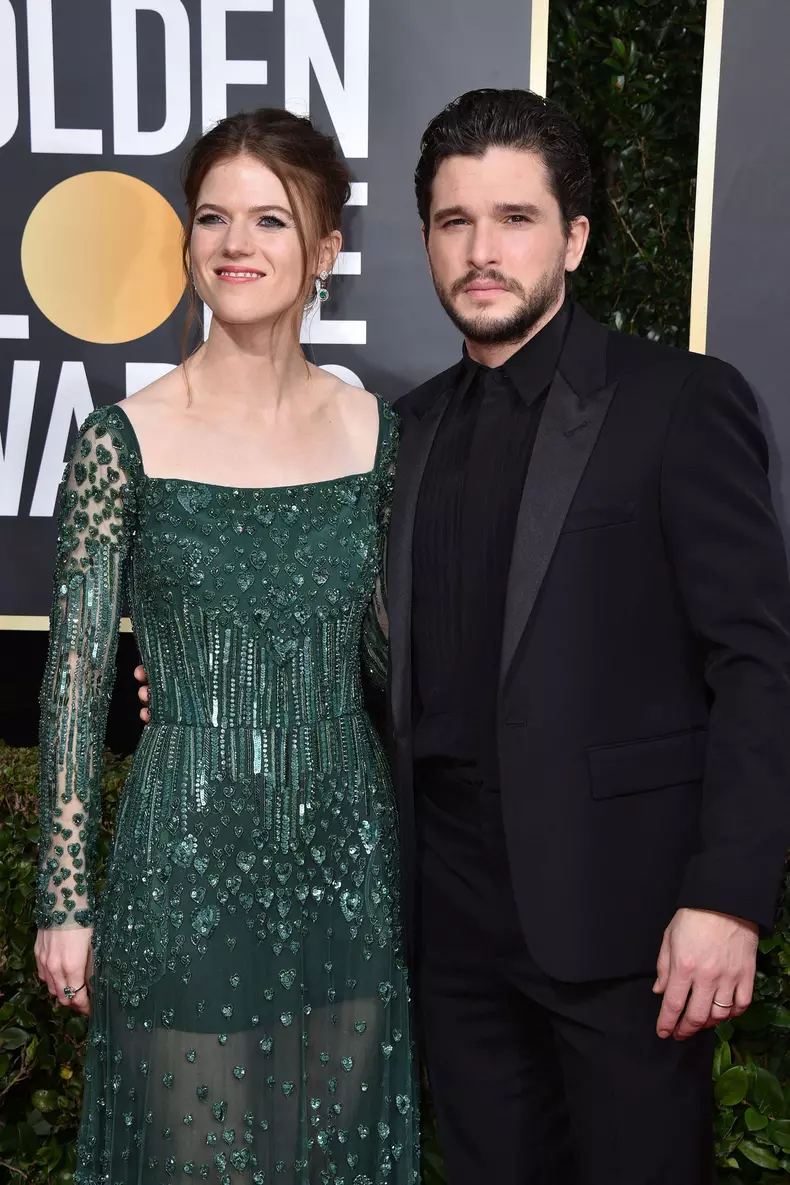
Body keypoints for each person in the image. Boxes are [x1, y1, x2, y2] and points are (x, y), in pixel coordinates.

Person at [381, 88, 790, 1185]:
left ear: (573, 238)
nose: (480, 250)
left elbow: (758, 663)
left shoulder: (677, 402)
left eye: (514, 218)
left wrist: (727, 898)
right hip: (452, 928)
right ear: (425, 238)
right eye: (454, 220)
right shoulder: (402, 435)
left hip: (632, 926)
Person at [35, 107, 418, 1185]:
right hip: (183, 854)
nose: (235, 243)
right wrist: (64, 899)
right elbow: (75, 681)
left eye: (270, 219)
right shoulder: (123, 440)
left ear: (326, 253)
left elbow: (392, 669)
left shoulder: (378, 437)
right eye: (212, 217)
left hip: (345, 853)